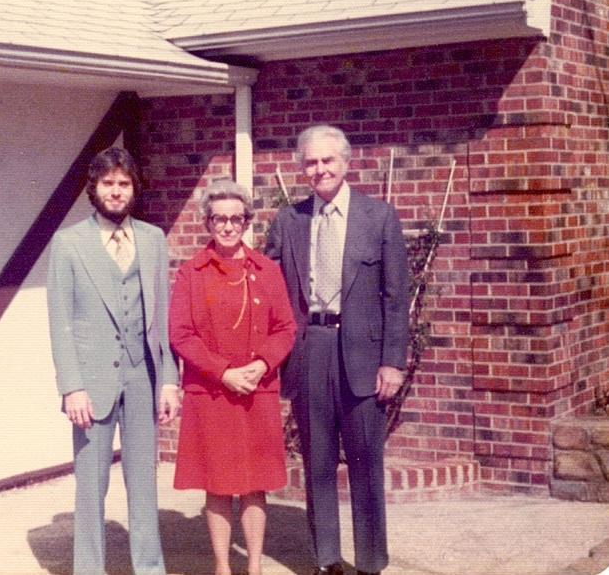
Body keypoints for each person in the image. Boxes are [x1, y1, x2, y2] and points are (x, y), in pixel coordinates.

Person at [265, 125, 409, 575]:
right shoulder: (289, 221)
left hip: (364, 355)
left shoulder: (378, 217)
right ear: (302, 168)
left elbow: (395, 297)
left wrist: (392, 361)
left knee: (365, 462)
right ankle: (326, 559)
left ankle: (370, 562)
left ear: (346, 163)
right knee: (318, 460)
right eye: (310, 162)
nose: (319, 169)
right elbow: (267, 287)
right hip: (311, 350)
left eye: (327, 160)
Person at [46, 146, 180, 575]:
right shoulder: (69, 244)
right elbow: (60, 322)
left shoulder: (153, 239)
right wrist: (71, 387)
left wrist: (170, 380)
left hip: (143, 378)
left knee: (144, 485)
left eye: (124, 184)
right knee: (92, 486)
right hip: (91, 384)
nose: (117, 192)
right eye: (109, 184)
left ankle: (150, 568)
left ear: (133, 188)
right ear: (94, 188)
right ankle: (89, 569)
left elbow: (161, 316)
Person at [169, 178, 296, 575]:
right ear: (207, 223)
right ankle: (223, 566)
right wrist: (224, 373)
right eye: (219, 219)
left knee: (256, 483)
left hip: (257, 390)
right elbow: (181, 334)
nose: (227, 226)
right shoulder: (192, 273)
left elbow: (286, 329)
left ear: (247, 222)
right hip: (213, 393)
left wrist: (260, 366)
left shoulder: (267, 270)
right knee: (219, 483)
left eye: (235, 219)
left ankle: (254, 566)